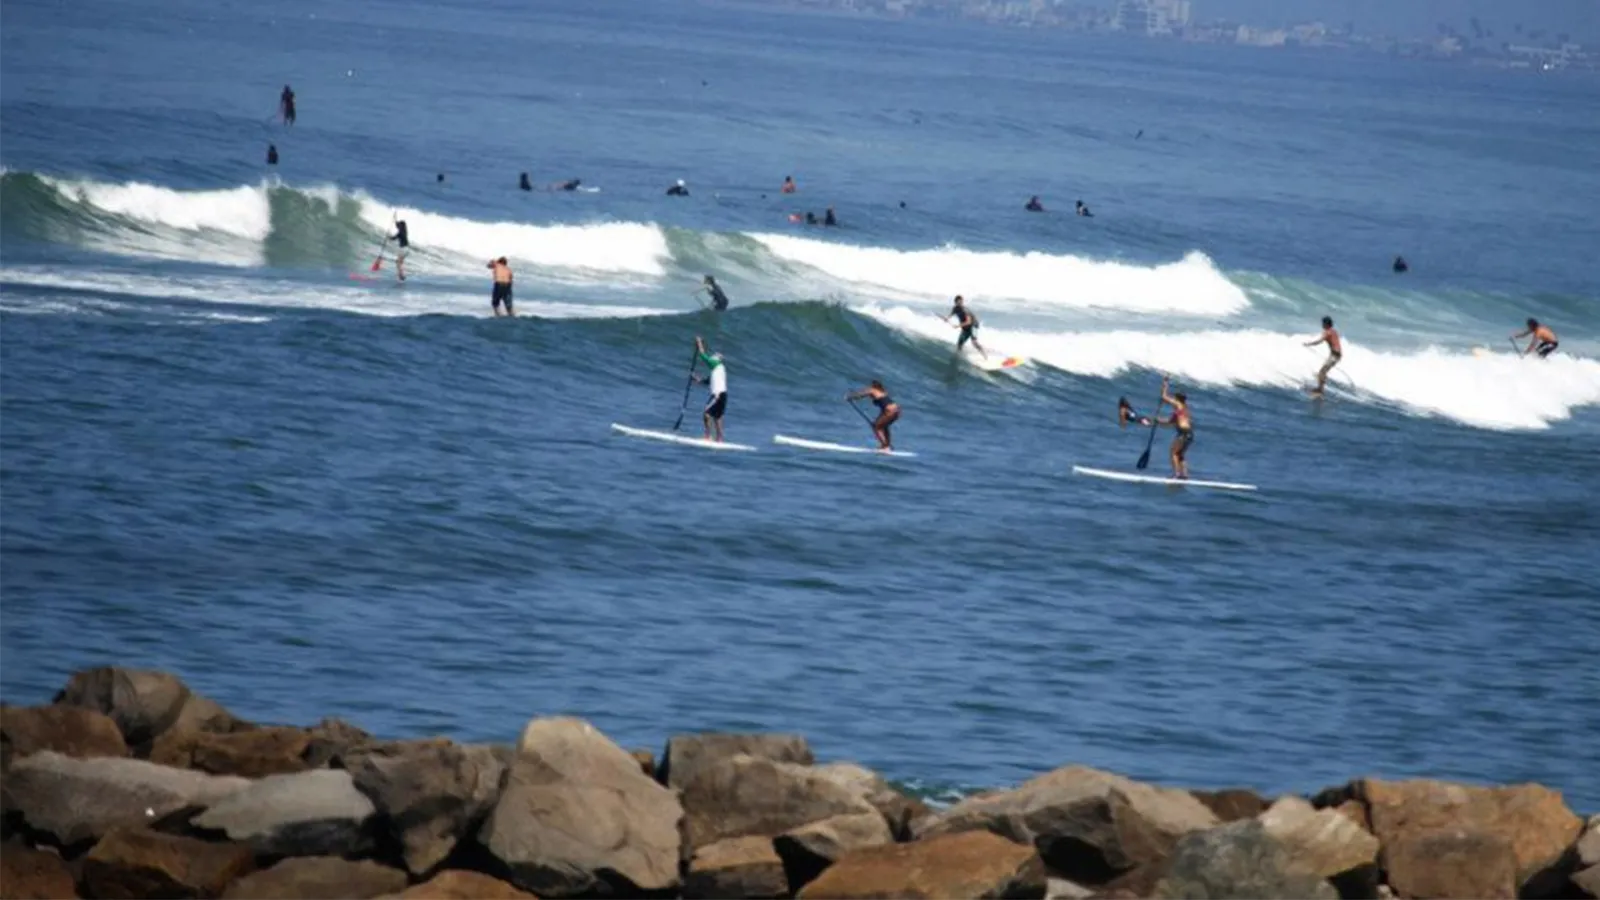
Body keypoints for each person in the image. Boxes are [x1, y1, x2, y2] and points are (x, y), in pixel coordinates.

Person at [1155, 377, 1194, 479]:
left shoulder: (1179, 405)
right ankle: (1184, 475)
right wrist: (1158, 421)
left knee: (1173, 452)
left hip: (1184, 433)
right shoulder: (1183, 410)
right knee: (1180, 454)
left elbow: (1164, 397)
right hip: (1189, 434)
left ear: (1178, 399)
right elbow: (1169, 422)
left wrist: (1165, 384)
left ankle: (1176, 474)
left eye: (1175, 397)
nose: (1174, 399)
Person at [846, 380, 901, 452]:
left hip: (889, 411)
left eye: (871, 385)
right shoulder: (883, 392)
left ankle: (885, 447)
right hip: (897, 411)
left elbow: (862, 394)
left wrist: (850, 397)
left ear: (874, 386)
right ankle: (887, 445)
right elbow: (884, 405)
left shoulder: (873, 390)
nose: (869, 387)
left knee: (876, 427)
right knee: (884, 427)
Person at [691, 336, 728, 442]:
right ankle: (719, 439)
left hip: (717, 395)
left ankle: (707, 436)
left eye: (715, 355)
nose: (713, 356)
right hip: (723, 395)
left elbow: (703, 356)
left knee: (706, 413)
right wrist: (698, 380)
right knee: (717, 417)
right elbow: (709, 381)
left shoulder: (716, 363)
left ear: (717, 359)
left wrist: (699, 343)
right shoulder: (719, 369)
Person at [1304, 316, 1343, 395]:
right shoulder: (1333, 331)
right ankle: (1322, 383)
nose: (1322, 324)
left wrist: (1308, 344)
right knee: (1323, 371)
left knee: (1322, 372)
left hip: (1335, 355)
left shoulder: (1327, 332)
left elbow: (1319, 341)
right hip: (1336, 354)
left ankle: (1320, 390)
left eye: (1323, 323)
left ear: (1326, 324)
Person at [943, 295, 987, 360]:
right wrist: (947, 318)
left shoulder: (965, 310)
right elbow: (951, 314)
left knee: (974, 342)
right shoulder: (955, 308)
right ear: (955, 302)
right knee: (959, 345)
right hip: (965, 328)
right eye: (958, 302)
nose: (960, 303)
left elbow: (968, 322)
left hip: (973, 325)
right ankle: (959, 357)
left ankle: (985, 356)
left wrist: (958, 326)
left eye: (961, 301)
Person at [389, 215, 409, 282]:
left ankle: (402, 276)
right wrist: (395, 219)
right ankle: (401, 275)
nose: (398, 226)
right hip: (406, 249)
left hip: (403, 249)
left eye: (399, 225)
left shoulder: (400, 232)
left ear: (401, 226)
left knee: (398, 263)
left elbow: (393, 238)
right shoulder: (405, 231)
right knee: (399, 263)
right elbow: (397, 225)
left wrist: (389, 237)